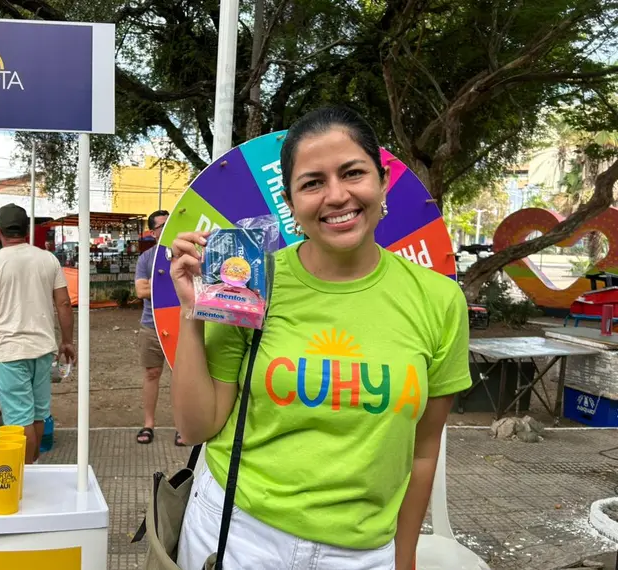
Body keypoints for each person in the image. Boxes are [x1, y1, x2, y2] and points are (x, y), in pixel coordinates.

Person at [169, 107, 472, 570]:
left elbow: (424, 450)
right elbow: (197, 427)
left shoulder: (439, 299)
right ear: (290, 202)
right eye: (312, 183)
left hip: (364, 553)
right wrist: (194, 312)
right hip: (236, 535)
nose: (337, 196)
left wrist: (404, 557)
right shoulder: (253, 282)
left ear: (383, 180)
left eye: (353, 173)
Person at [0, 204, 75, 464]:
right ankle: (33, 466)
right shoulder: (48, 259)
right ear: (27, 229)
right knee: (38, 414)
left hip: (9, 352)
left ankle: (25, 473)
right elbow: (63, 303)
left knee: (18, 419)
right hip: (43, 349)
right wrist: (67, 341)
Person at [134, 210, 185, 446]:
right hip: (151, 325)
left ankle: (182, 426)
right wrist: (173, 282)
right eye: (162, 226)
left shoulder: (185, 252)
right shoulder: (146, 259)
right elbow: (141, 292)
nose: (167, 229)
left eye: (170, 224)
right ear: (153, 232)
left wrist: (161, 283)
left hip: (182, 324)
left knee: (182, 376)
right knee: (152, 374)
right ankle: (148, 424)